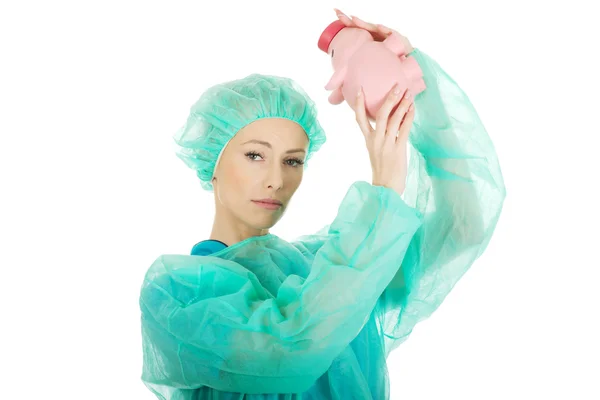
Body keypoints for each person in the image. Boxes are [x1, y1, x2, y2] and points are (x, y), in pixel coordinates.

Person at [139, 10, 506, 400]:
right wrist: (382, 193)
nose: (276, 179)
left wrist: (410, 78)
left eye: (292, 160)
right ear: (212, 164)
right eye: (255, 156)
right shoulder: (176, 295)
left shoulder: (330, 263)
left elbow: (463, 224)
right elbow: (290, 348)